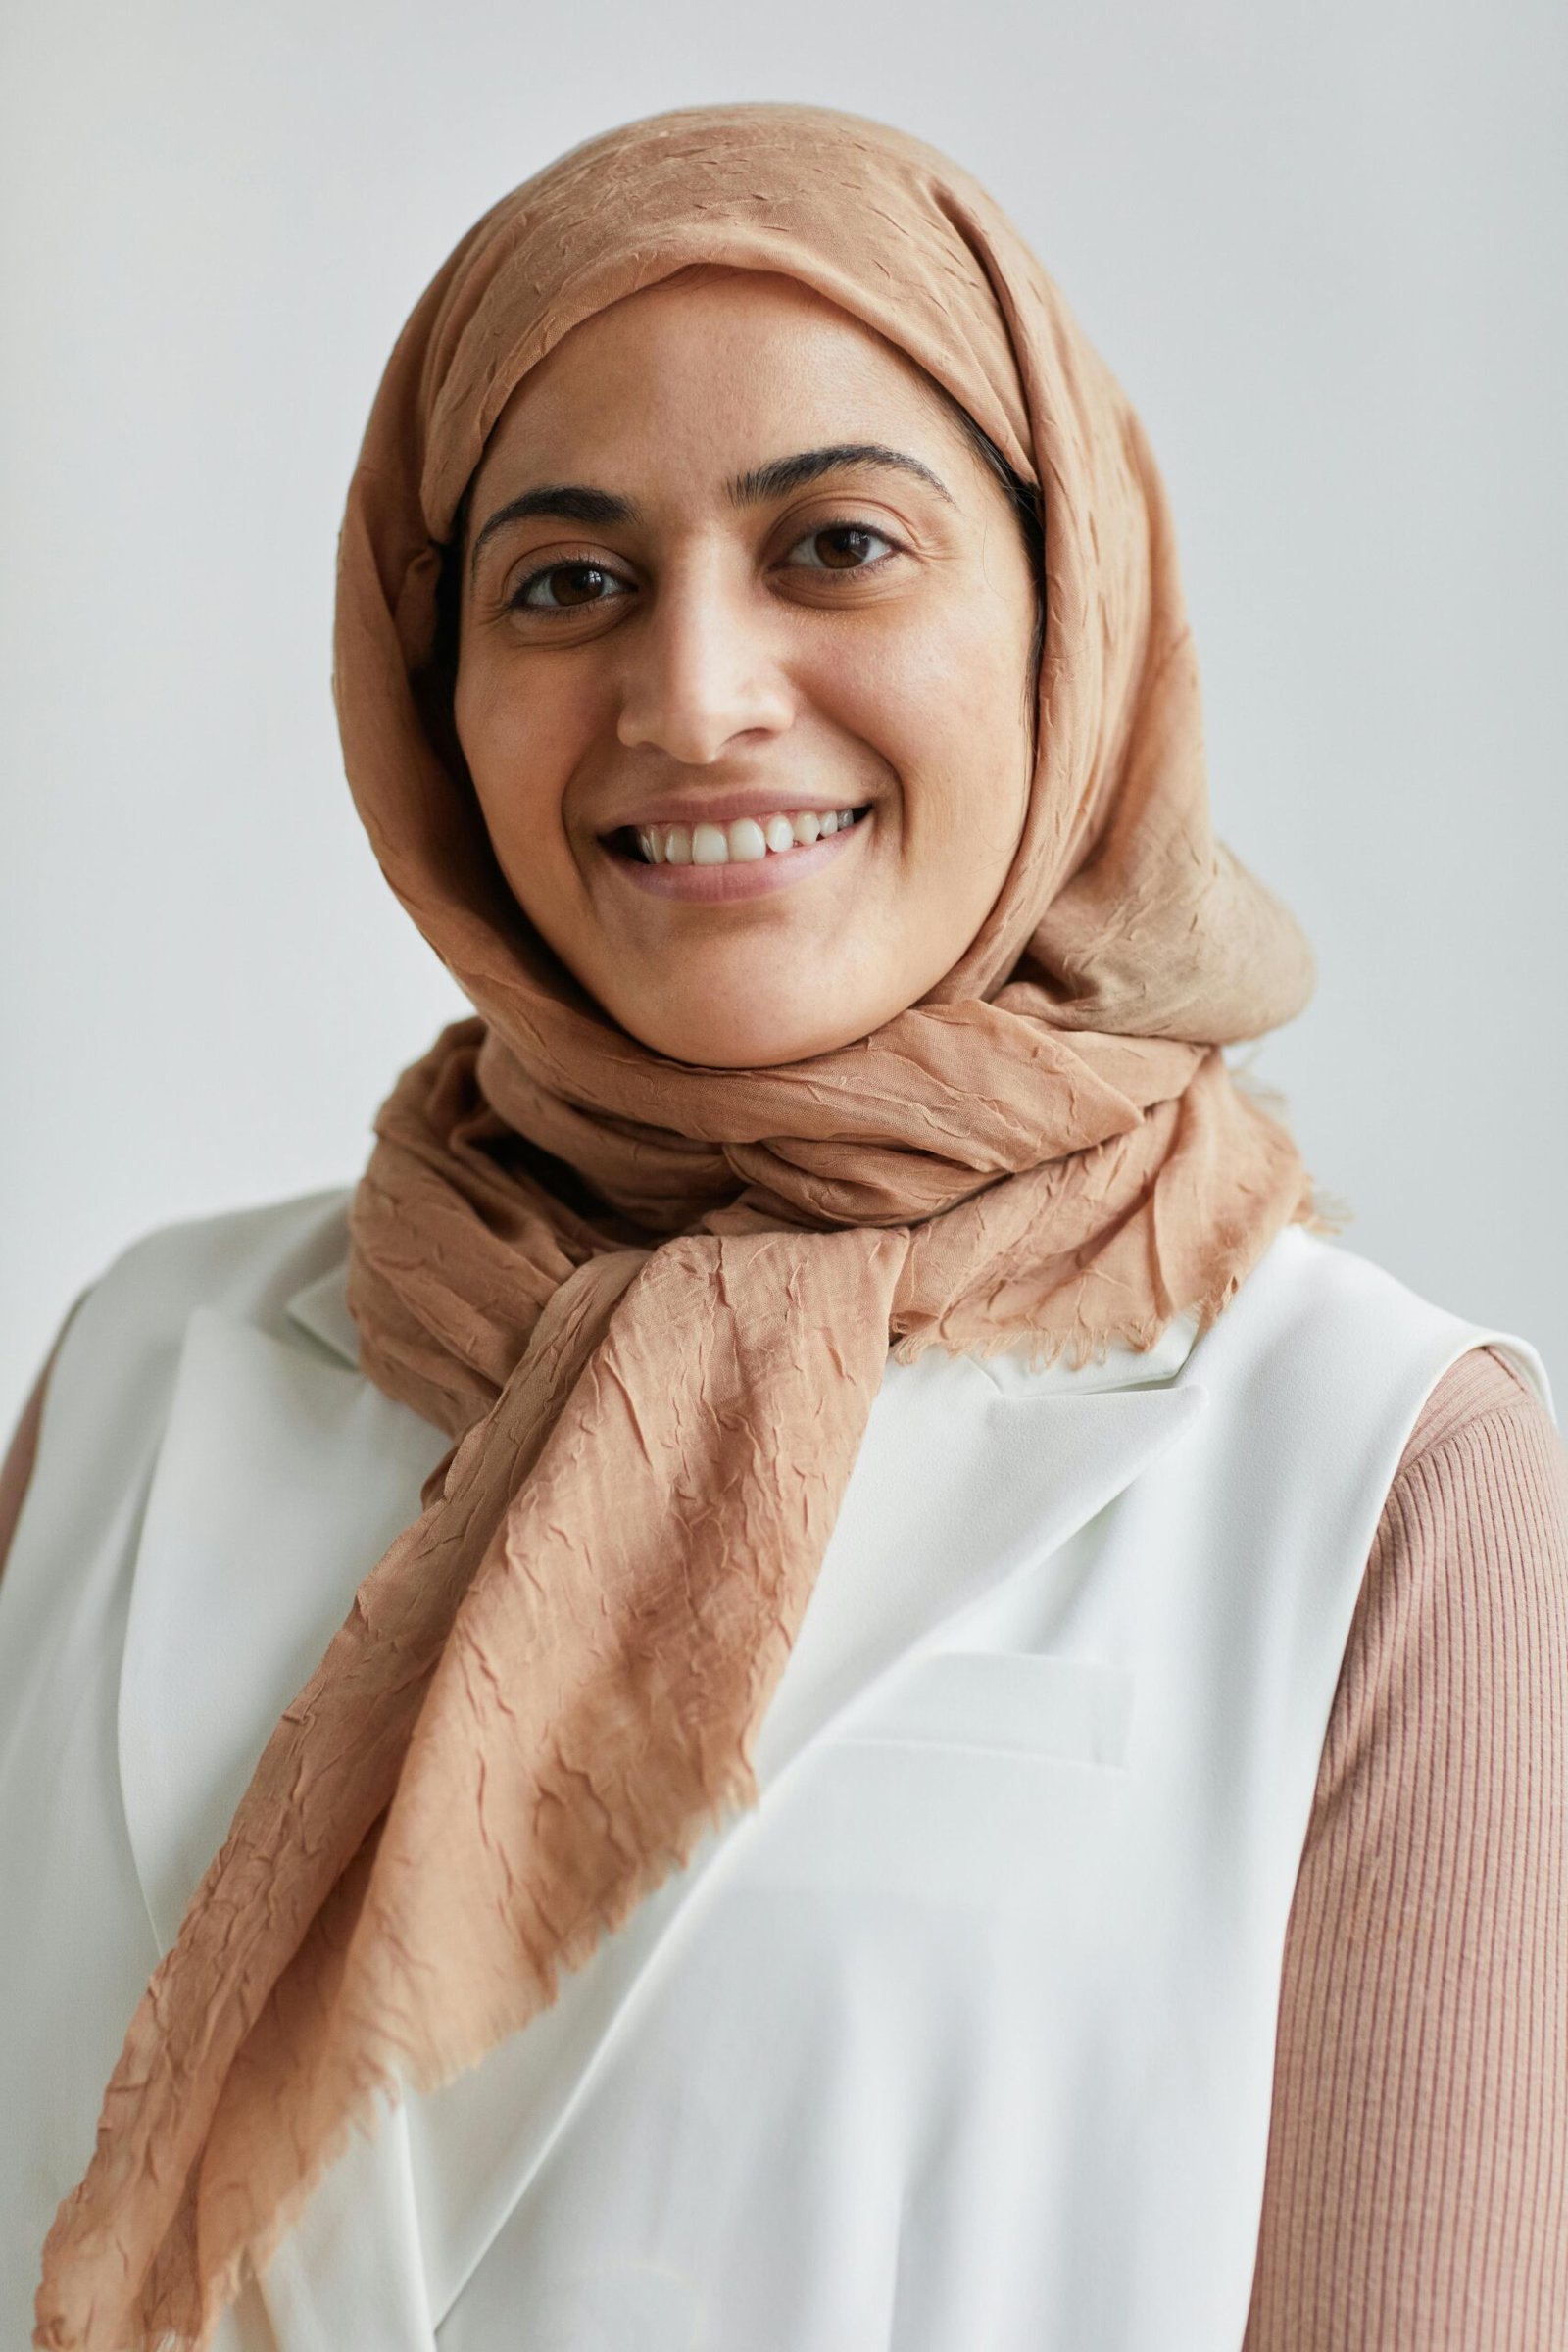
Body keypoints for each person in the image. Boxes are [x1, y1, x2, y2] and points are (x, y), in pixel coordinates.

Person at [2, 101, 1564, 2352]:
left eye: (835, 545)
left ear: (1061, 619)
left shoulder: (1371, 1471)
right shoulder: (138, 1373)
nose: (694, 697)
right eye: (566, 581)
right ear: (433, 687)